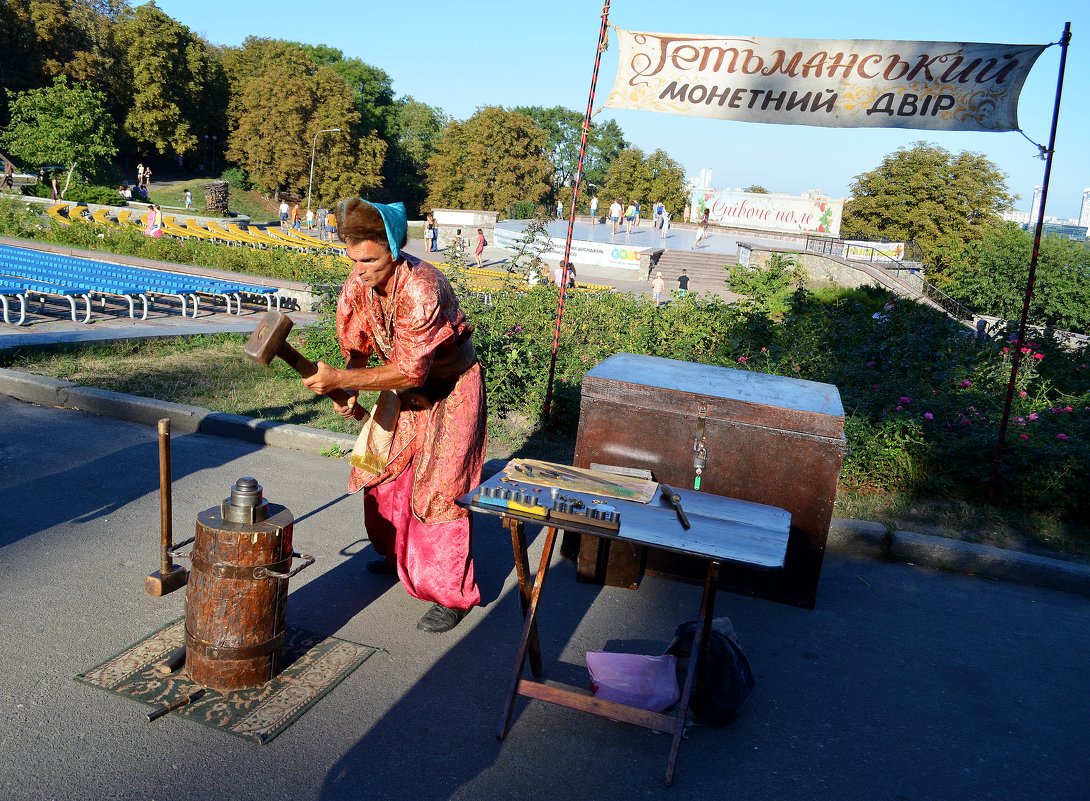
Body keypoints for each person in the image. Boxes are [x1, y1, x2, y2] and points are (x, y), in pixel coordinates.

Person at [301, 197, 484, 633]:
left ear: (394, 251)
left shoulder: (423, 287)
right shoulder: (358, 281)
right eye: (353, 259)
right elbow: (358, 341)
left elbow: (410, 369)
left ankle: (449, 594)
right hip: (397, 389)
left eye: (369, 260)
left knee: (440, 490)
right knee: (379, 472)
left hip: (448, 391)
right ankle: (397, 552)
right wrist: (347, 385)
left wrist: (341, 378)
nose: (360, 269)